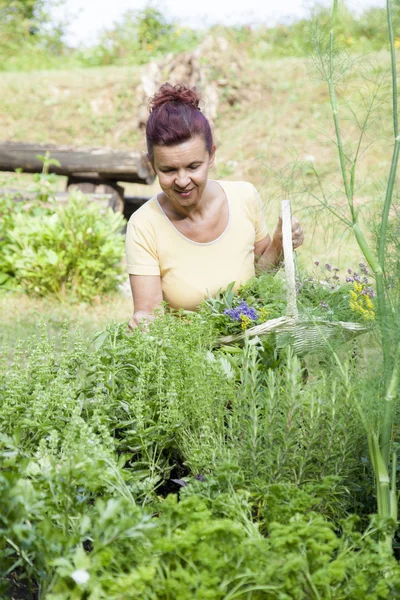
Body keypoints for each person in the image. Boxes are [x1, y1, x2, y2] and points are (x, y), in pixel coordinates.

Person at [126, 83, 304, 329]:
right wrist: (143, 324)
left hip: (252, 342)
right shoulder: (144, 224)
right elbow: (149, 313)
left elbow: (260, 277)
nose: (182, 181)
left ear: (211, 156)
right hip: (191, 356)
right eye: (168, 170)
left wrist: (280, 243)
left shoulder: (244, 197)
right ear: (152, 165)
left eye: (192, 166)